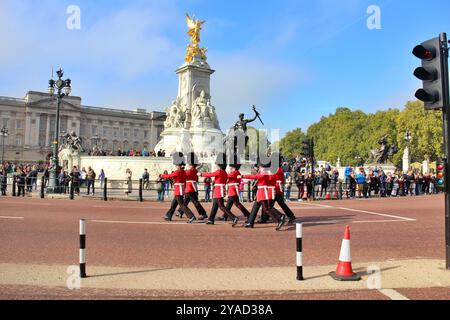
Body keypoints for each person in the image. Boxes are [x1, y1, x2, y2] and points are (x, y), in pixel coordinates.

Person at [242, 157, 286, 231]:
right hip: (262, 191)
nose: (259, 167)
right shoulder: (269, 172)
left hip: (263, 192)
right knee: (259, 206)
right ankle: (250, 222)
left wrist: (243, 176)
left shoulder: (264, 173)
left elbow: (255, 176)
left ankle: (279, 219)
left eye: (260, 166)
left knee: (267, 208)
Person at [200, 153, 238, 226]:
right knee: (215, 205)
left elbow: (211, 174)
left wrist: (201, 174)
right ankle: (211, 219)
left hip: (218, 190)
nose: (216, 166)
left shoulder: (220, 171)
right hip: (219, 189)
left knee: (221, 206)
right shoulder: (224, 172)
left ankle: (233, 217)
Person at [160, 152, 196, 223]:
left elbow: (169, 176)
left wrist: (161, 175)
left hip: (178, 190)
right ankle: (168, 216)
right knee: (173, 204)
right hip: (180, 189)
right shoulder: (183, 171)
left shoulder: (177, 172)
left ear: (178, 165)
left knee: (182, 205)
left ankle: (191, 216)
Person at [177, 152, 208, 220]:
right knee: (186, 201)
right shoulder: (193, 169)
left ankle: (203, 213)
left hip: (190, 188)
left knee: (195, 202)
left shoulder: (192, 170)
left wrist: (180, 169)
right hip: (190, 187)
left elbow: (185, 174)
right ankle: (180, 211)